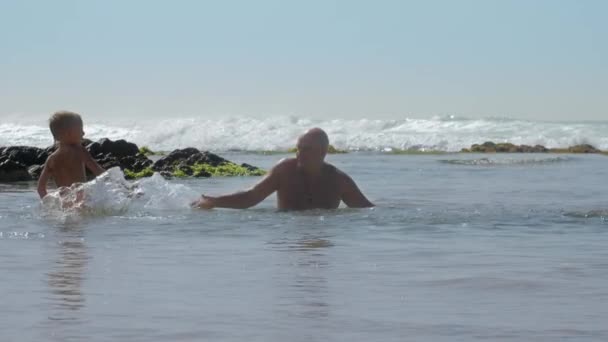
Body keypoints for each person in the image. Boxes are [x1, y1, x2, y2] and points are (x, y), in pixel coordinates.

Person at [192, 128, 374, 210]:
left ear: (323, 152)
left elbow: (367, 210)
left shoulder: (338, 180)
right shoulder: (284, 170)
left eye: (307, 150)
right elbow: (250, 197)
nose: (299, 154)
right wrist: (215, 201)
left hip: (324, 231)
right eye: (298, 148)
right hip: (288, 232)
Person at [37, 111, 105, 199]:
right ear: (69, 133)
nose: (83, 133)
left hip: (65, 204)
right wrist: (118, 182)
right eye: (81, 129)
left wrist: (50, 204)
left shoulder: (51, 159)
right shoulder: (79, 150)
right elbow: (98, 171)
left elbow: (40, 189)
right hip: (82, 201)